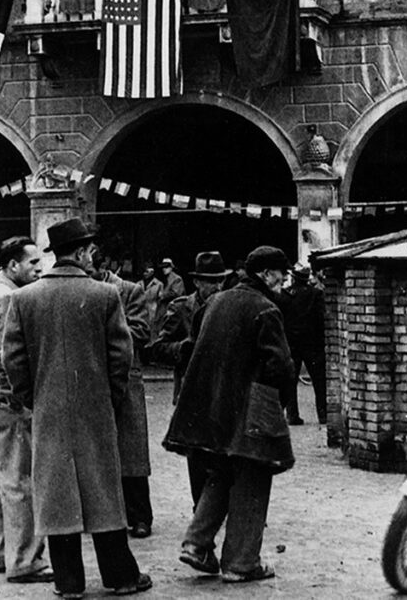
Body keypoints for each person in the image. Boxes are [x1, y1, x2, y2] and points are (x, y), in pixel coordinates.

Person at [3, 218, 152, 598]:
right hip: (96, 409)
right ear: (84, 252)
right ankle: (120, 576)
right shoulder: (105, 295)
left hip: (48, 409)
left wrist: (33, 397)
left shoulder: (24, 298)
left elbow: (13, 360)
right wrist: (109, 396)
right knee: (103, 492)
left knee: (57, 497)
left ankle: (69, 582)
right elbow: (122, 354)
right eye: (90, 251)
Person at [163, 245, 295, 583]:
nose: (284, 281)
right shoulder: (266, 310)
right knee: (252, 476)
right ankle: (241, 562)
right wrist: (278, 406)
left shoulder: (216, 302)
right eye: (280, 275)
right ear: (266, 275)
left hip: (211, 407)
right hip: (248, 409)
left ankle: (196, 544)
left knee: (219, 473)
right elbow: (280, 366)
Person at [0, 236, 54, 584]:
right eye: (33, 264)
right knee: (21, 482)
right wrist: (24, 397)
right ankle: (25, 561)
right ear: (12, 266)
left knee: (1, 481)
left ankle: (1, 554)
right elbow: (6, 358)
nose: (39, 269)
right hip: (6, 400)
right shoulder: (7, 298)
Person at [146, 250, 229, 507]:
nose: (216, 287)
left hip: (226, 393)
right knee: (198, 458)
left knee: (226, 455)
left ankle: (220, 509)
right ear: (197, 282)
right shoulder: (182, 308)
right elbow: (159, 347)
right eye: (210, 281)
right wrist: (184, 348)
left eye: (219, 281)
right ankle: (200, 509)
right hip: (192, 394)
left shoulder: (230, 306)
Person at [92, 247, 154, 540]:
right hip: (93, 377)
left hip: (127, 377)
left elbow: (141, 332)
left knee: (131, 451)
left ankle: (140, 516)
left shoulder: (129, 290)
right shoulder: (83, 290)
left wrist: (105, 330)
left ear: (103, 267)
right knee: (95, 450)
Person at [279, 263, 327, 425]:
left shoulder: (285, 295)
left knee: (291, 381)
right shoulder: (316, 294)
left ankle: (292, 415)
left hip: (291, 344)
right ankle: (323, 415)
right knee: (319, 381)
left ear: (293, 278)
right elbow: (321, 320)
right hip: (312, 344)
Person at [154, 258, 185, 333]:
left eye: (166, 267)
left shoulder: (177, 279)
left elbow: (176, 293)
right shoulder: (165, 279)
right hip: (164, 309)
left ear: (171, 267)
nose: (164, 269)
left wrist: (162, 295)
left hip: (173, 309)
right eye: (163, 267)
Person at [139, 264, 161, 339]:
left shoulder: (159, 285)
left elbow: (160, 300)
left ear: (152, 272)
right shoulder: (138, 284)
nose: (144, 274)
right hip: (141, 312)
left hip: (153, 312)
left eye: (147, 272)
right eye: (144, 272)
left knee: (153, 335)